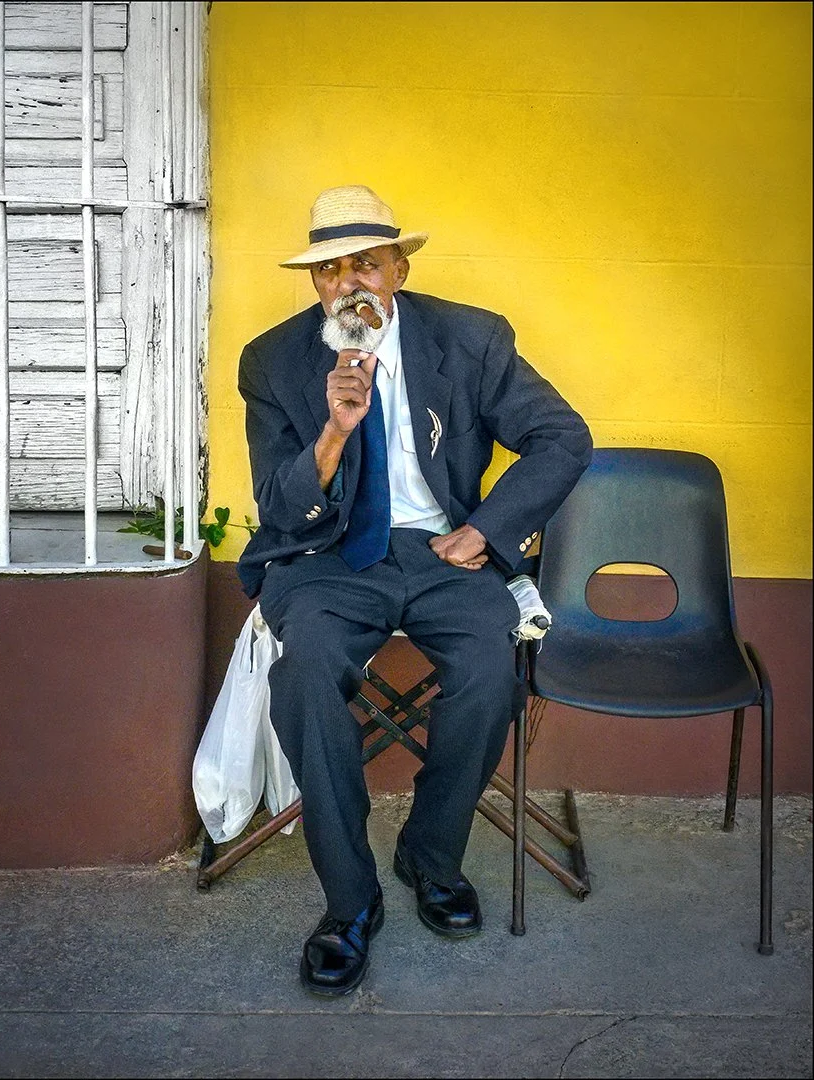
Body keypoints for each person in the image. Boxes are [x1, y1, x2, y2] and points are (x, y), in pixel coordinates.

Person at [237, 184, 592, 996]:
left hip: (443, 552)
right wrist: (333, 430)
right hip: (327, 556)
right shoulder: (274, 360)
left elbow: (560, 437)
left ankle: (431, 857)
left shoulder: (469, 339)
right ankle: (349, 901)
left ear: (397, 268)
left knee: (486, 672)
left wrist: (488, 530)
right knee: (302, 677)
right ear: (316, 284)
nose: (349, 282)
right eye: (330, 270)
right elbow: (280, 507)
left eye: (367, 262)